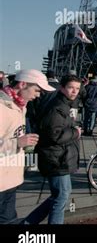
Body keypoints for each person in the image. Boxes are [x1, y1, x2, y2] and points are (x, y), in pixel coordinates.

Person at [23, 75, 82, 224]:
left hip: (60, 155)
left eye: (77, 88)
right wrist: (76, 132)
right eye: (71, 87)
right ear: (62, 88)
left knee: (61, 194)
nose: (74, 91)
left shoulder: (66, 104)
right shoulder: (58, 107)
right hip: (55, 157)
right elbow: (54, 135)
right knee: (61, 197)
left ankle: (28, 222)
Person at [0, 69, 55, 224]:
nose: (38, 95)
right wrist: (17, 143)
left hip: (10, 178)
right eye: (36, 90)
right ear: (23, 84)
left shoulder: (20, 106)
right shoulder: (2, 107)